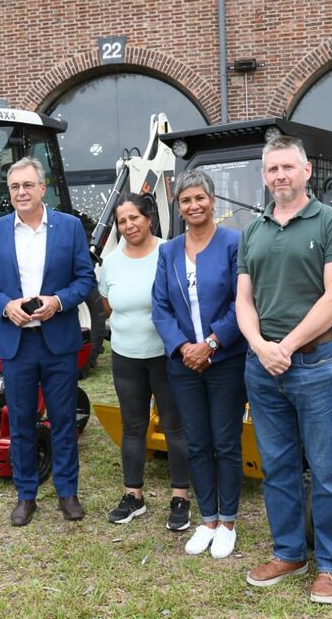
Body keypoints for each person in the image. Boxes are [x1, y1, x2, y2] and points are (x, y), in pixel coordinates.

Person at [237, 136, 332, 603]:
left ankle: (331, 563)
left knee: (326, 469)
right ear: (264, 177)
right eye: (272, 170)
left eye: (288, 167)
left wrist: (282, 347)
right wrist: (259, 346)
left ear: (306, 171)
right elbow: (243, 300)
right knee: (278, 466)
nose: (280, 176)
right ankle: (289, 552)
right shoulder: (253, 230)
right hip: (261, 366)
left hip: (316, 363)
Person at [0, 156, 95, 527]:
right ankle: (26, 495)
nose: (21, 192)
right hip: (17, 344)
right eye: (14, 187)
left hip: (58, 340)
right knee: (21, 421)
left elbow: (85, 278)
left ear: (43, 188)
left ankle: (67, 492)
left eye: (28, 185)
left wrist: (57, 302)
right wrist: (5, 306)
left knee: (62, 421)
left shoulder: (69, 227)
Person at [151, 169, 247, 559]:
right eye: (186, 200)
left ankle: (228, 521)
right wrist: (183, 347)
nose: (194, 206)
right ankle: (207, 519)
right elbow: (159, 307)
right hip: (183, 364)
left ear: (213, 201)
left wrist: (210, 343)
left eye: (200, 198)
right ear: (179, 206)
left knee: (224, 442)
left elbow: (242, 303)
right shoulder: (168, 251)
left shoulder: (234, 244)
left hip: (224, 360)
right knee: (197, 442)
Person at [98, 193, 191, 530]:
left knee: (174, 426)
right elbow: (109, 305)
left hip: (166, 356)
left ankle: (180, 497)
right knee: (133, 426)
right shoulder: (110, 263)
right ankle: (133, 495)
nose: (128, 225)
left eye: (134, 218)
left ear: (149, 218)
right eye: (122, 221)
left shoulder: (170, 252)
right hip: (126, 358)